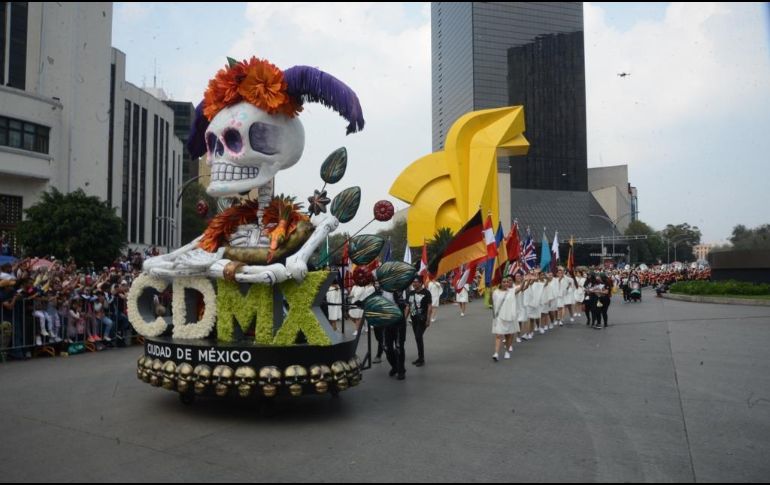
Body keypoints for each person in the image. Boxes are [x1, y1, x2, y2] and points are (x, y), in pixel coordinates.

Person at [405, 277, 431, 367]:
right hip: (414, 319)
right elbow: (408, 306)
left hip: (422, 319)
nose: (414, 284)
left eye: (416, 282)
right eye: (413, 282)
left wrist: (428, 319)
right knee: (417, 338)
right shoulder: (411, 293)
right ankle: (420, 357)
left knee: (418, 336)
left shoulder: (426, 293)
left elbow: (429, 306)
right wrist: (404, 318)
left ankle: (421, 358)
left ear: (421, 283)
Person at [491, 276, 518, 361]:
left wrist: (527, 280)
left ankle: (507, 351)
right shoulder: (495, 292)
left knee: (508, 335)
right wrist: (490, 293)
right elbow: (491, 303)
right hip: (499, 317)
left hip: (509, 316)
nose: (506, 283)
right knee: (498, 335)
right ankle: (496, 353)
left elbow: (522, 288)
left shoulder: (512, 291)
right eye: (504, 282)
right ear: (500, 283)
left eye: (507, 282)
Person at [383, 289, 407, 380]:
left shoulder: (399, 288)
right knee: (386, 347)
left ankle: (401, 370)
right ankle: (395, 366)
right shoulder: (381, 289)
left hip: (398, 322)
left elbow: (403, 303)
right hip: (386, 321)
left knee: (399, 346)